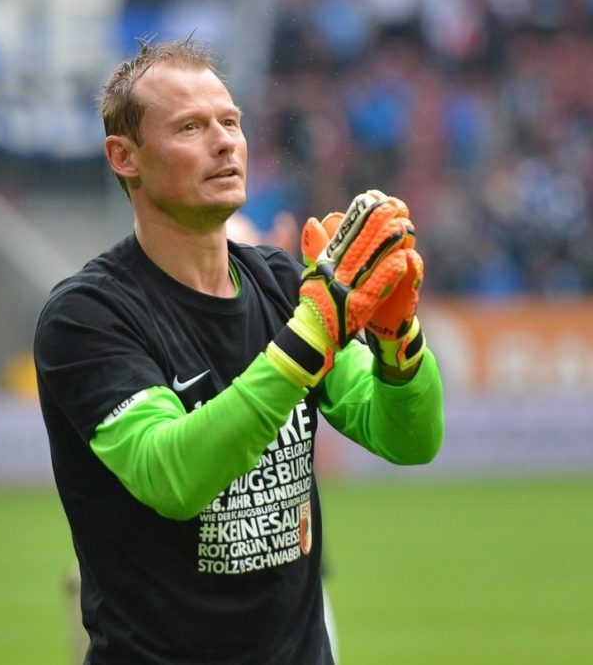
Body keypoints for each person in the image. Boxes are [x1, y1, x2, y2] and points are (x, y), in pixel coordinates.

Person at [34, 37, 445, 665]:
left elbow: (409, 440)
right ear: (125, 157)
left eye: (230, 122)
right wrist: (310, 336)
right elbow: (171, 474)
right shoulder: (87, 316)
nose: (224, 143)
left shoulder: (282, 284)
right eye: (190, 127)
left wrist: (398, 342)